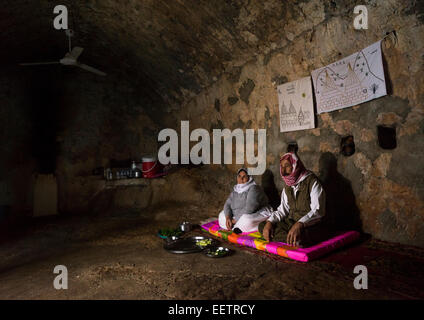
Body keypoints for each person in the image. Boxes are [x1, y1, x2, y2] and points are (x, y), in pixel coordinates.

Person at [259, 152, 331, 247]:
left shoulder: (312, 182)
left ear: (295, 165)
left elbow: (318, 211)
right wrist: (269, 222)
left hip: (309, 225)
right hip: (291, 222)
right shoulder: (287, 187)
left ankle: (294, 238)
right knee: (262, 226)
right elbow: (282, 210)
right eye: (282, 166)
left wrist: (300, 224)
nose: (283, 170)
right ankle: (293, 239)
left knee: (305, 235)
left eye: (287, 166)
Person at [218, 168, 273, 233]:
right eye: (239, 176)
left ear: (249, 178)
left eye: (244, 177)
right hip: (238, 216)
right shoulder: (236, 189)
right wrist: (228, 218)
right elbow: (227, 204)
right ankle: (237, 227)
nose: (241, 179)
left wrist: (235, 220)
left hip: (257, 213)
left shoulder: (254, 188)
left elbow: (250, 209)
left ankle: (238, 226)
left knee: (247, 220)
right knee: (221, 215)